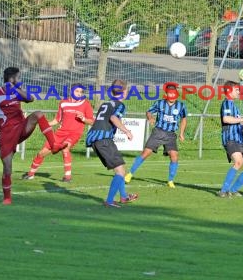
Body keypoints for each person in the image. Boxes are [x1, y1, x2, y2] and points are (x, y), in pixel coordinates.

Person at [0, 67, 65, 205]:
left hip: (21, 128)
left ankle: (54, 145)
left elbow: (31, 98)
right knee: (7, 167)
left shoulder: (17, 93)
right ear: (12, 79)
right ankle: (7, 198)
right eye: (19, 77)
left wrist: (16, 89)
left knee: (38, 114)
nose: (20, 80)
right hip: (7, 134)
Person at [22, 84, 94, 182]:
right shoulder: (63, 103)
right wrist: (44, 124)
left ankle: (67, 177)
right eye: (77, 91)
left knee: (65, 148)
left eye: (81, 92)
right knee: (41, 153)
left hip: (74, 133)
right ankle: (30, 174)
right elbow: (57, 120)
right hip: (60, 133)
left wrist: (83, 118)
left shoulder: (85, 103)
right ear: (71, 91)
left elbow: (92, 121)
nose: (79, 93)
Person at [85, 79, 138, 207]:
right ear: (124, 92)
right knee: (120, 171)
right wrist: (127, 131)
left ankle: (124, 197)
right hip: (104, 140)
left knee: (120, 169)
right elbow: (113, 118)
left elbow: (98, 121)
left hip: (96, 139)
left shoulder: (105, 104)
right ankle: (109, 201)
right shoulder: (119, 104)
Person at [124, 82, 187, 188]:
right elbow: (148, 111)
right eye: (170, 95)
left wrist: (181, 133)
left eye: (174, 96)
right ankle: (129, 174)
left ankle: (170, 181)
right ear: (166, 94)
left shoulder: (181, 105)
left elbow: (184, 119)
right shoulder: (160, 103)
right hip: (158, 132)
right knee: (145, 153)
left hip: (171, 135)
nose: (172, 98)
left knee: (174, 156)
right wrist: (150, 117)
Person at [217, 81, 243, 198]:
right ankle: (223, 191)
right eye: (236, 90)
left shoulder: (234, 106)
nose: (239, 92)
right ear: (229, 91)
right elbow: (226, 119)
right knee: (238, 162)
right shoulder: (226, 103)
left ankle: (233, 190)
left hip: (239, 141)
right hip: (230, 139)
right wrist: (241, 120)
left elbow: (238, 124)